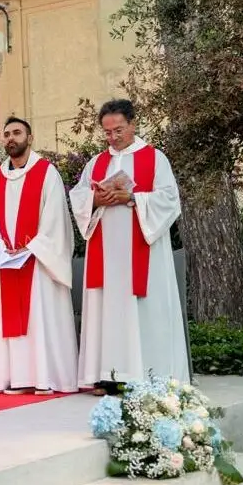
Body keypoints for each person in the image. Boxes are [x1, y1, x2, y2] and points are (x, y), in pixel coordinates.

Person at [69, 99, 189, 389]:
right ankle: (110, 374)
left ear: (133, 124)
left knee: (143, 310)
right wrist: (95, 199)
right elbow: (78, 197)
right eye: (107, 132)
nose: (113, 137)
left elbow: (170, 200)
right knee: (107, 310)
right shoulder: (96, 163)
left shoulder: (155, 158)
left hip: (142, 252)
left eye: (118, 130)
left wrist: (133, 198)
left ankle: (150, 373)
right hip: (106, 254)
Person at [0, 117, 78, 395]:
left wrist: (31, 247)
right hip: (9, 260)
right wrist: (1, 246)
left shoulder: (46, 173)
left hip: (39, 262)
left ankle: (47, 378)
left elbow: (56, 219)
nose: (11, 138)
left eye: (17, 133)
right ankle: (19, 377)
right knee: (16, 320)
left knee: (41, 319)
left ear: (30, 137)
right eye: (7, 134)